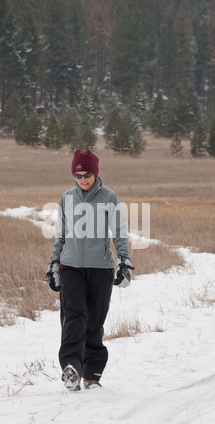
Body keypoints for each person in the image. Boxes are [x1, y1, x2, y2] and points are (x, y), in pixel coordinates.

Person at [46, 149, 133, 391]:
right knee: (74, 317)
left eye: (87, 174)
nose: (82, 179)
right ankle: (72, 368)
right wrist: (54, 263)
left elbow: (119, 233)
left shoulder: (109, 197)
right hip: (70, 267)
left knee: (94, 322)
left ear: (95, 173)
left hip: (101, 267)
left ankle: (92, 375)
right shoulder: (67, 198)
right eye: (77, 174)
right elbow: (60, 235)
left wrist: (124, 261)